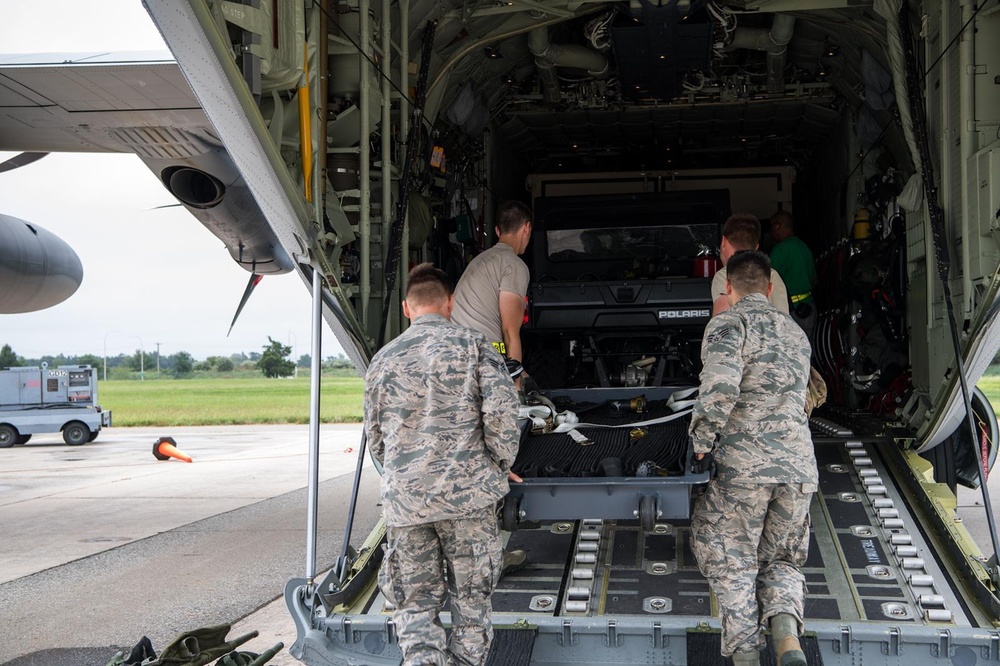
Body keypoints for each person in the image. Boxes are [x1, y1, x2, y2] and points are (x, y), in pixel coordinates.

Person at [364, 263, 520, 666]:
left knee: (414, 605)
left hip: (407, 505)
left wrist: (405, 478)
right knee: (471, 604)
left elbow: (376, 439)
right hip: (468, 502)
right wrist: (496, 467)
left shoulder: (381, 361)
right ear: (450, 303)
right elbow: (503, 415)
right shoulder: (476, 346)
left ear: (406, 308)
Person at [689, 250, 817, 666]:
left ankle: (745, 654)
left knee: (730, 554)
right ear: (770, 287)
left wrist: (702, 439)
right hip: (798, 469)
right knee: (781, 557)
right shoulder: (796, 333)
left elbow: (721, 384)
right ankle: (786, 637)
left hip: (745, 468)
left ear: (727, 287)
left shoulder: (729, 322)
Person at [452, 200, 532, 381]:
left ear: (497, 231)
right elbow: (510, 333)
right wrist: (516, 384)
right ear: (527, 228)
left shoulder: (479, 260)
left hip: (454, 354)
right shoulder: (513, 265)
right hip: (482, 357)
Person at [711, 213, 789, 316]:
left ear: (723, 241)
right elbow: (784, 317)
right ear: (756, 247)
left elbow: (723, 323)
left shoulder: (724, 275)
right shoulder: (772, 274)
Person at [769, 210, 817, 339]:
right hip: (808, 309)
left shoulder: (781, 249)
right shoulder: (804, 247)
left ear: (777, 226)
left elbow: (767, 279)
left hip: (792, 312)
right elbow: (814, 280)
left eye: (772, 227)